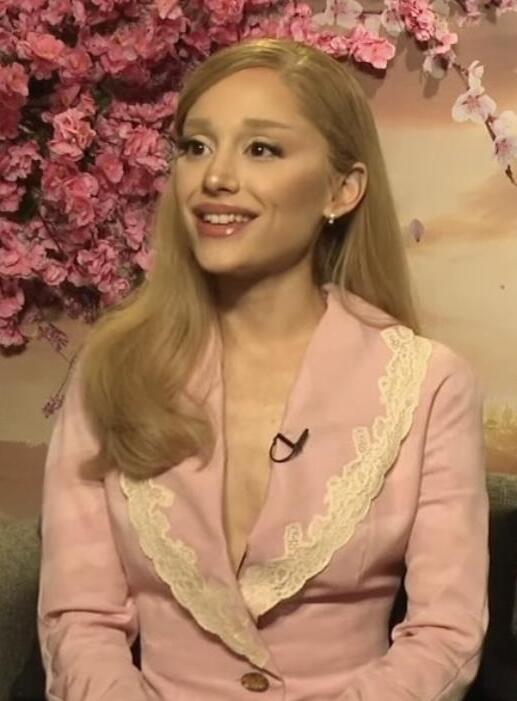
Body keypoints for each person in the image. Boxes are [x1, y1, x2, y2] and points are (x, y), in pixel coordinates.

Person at [37, 38, 489, 701]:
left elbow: (444, 635)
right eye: (196, 146)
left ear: (341, 189)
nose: (214, 177)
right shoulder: (113, 371)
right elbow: (80, 621)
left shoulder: (428, 385)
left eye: (261, 149)